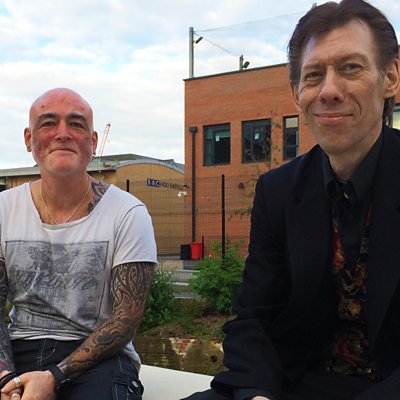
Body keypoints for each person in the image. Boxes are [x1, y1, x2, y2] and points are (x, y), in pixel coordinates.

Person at [183, 0, 400, 399]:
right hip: (295, 382)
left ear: (390, 77)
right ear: (296, 93)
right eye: (313, 75)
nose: (328, 91)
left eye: (350, 68)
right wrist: (256, 394)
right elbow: (255, 317)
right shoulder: (278, 191)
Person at [0, 88, 157, 400]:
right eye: (48, 123)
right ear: (29, 139)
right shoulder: (4, 209)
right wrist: (6, 379)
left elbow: (125, 320)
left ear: (93, 142)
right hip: (18, 348)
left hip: (99, 359)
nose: (63, 134)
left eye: (76, 124)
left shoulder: (128, 213)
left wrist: (54, 377)